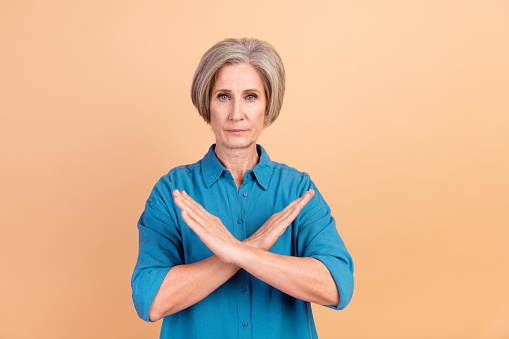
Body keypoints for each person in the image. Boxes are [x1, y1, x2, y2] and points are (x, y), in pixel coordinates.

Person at [131, 37, 354, 339]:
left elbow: (337, 286)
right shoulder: (173, 192)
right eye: (223, 96)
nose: (237, 113)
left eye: (250, 96)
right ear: (206, 103)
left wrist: (239, 252)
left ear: (267, 104)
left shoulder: (298, 190)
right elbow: (151, 300)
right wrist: (252, 246)